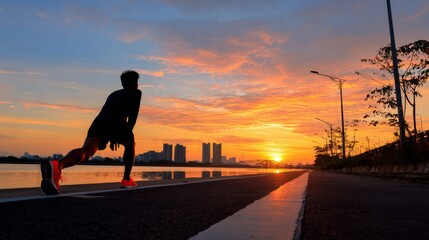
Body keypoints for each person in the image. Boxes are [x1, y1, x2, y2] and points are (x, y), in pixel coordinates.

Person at [40, 70, 142, 195]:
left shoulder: (113, 94)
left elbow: (109, 112)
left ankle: (57, 166)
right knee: (130, 144)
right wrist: (122, 134)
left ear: (122, 83)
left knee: (87, 151)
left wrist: (114, 135)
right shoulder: (136, 93)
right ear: (136, 82)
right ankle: (126, 180)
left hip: (99, 122)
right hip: (116, 122)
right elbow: (133, 117)